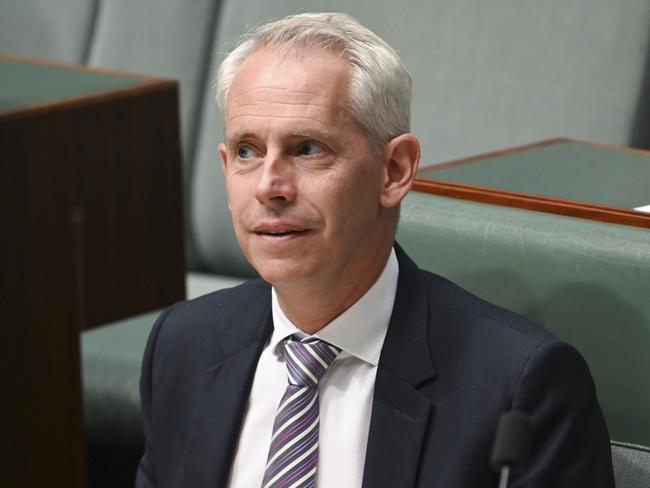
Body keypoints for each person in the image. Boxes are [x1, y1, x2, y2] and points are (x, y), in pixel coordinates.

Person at [136, 12, 614, 488]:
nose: (269, 186)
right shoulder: (184, 347)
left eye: (307, 149)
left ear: (395, 171)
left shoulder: (518, 388)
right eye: (247, 151)